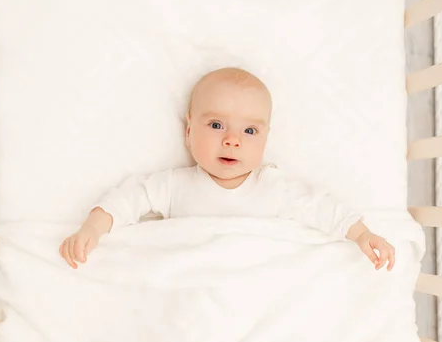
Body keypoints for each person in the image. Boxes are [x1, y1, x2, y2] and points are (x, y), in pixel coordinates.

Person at [59, 67, 396, 271]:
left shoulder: (274, 186)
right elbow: (128, 199)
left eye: (249, 131)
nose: (232, 140)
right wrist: (92, 229)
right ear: (189, 131)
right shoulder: (176, 185)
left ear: (266, 139)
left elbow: (322, 207)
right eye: (217, 125)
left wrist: (363, 235)